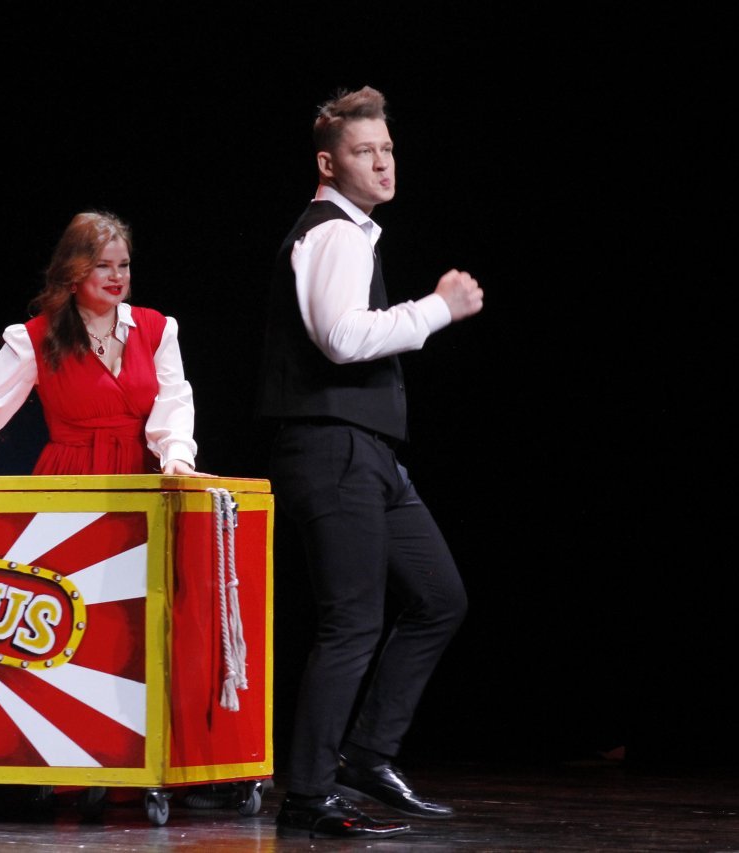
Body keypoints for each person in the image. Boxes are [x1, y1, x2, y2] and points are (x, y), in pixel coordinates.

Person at [258, 86, 484, 838]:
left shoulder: (356, 234)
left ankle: (367, 755)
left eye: (387, 149)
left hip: (368, 451)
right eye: (365, 151)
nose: (383, 162)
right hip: (331, 446)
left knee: (439, 597)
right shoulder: (335, 235)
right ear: (329, 164)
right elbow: (341, 338)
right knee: (351, 621)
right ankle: (308, 794)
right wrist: (438, 308)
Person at [0, 210, 199, 478]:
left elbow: (175, 400)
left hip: (141, 479)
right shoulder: (38, 338)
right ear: (74, 274)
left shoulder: (156, 329)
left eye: (123, 265)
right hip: (70, 480)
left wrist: (178, 456)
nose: (117, 276)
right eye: (103, 266)